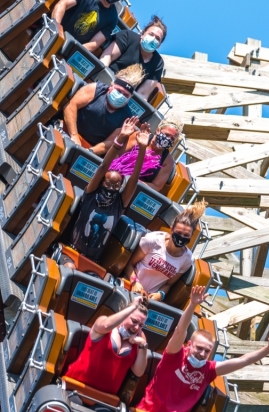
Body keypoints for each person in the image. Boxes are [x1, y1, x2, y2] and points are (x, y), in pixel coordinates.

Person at [138, 287, 269, 412]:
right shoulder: (175, 355)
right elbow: (180, 330)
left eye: (207, 351)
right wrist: (193, 304)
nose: (202, 354)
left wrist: (268, 349)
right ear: (189, 345)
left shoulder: (208, 370)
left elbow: (243, 361)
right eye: (199, 348)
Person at [71, 119, 150, 262]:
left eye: (115, 186)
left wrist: (142, 148)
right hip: (72, 251)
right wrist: (121, 138)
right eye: (107, 184)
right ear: (101, 182)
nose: (110, 189)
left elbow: (134, 179)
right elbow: (102, 167)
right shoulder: (90, 195)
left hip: (93, 261)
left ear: (120, 188)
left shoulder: (118, 206)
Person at [63, 297, 149, 395]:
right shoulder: (103, 321)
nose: (137, 327)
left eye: (141, 325)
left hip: (105, 399)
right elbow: (105, 326)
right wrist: (133, 307)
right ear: (125, 314)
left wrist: (142, 345)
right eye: (134, 321)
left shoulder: (141, 337)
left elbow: (139, 372)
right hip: (75, 387)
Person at [125, 203, 205, 300]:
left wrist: (160, 294)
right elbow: (129, 264)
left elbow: (168, 284)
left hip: (148, 299)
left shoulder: (187, 259)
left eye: (186, 235)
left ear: (192, 236)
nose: (181, 238)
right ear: (171, 229)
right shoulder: (153, 240)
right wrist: (135, 282)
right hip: (129, 285)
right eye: (179, 233)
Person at [63, 63, 144, 154]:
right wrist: (74, 136)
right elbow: (70, 107)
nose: (121, 96)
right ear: (111, 86)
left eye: (126, 95)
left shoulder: (127, 117)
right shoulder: (95, 89)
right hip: (67, 131)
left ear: (130, 97)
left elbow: (109, 143)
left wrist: (89, 151)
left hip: (89, 148)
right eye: (118, 90)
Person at [51, 0, 127, 52]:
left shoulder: (112, 18)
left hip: (70, 48)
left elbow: (94, 43)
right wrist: (56, 32)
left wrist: (70, 49)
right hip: (54, 33)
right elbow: (62, 5)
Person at [100, 16, 167, 99]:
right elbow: (107, 57)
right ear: (142, 34)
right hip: (105, 82)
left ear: (159, 45)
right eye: (151, 34)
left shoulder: (158, 63)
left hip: (125, 98)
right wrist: (105, 81)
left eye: (157, 38)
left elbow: (143, 95)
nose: (153, 39)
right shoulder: (128, 36)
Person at [110, 119, 181, 192]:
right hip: (114, 175)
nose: (167, 139)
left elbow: (156, 186)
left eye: (172, 139)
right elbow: (118, 155)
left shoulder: (168, 162)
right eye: (166, 135)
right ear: (158, 130)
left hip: (133, 190)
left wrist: (131, 181)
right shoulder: (139, 136)